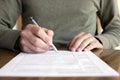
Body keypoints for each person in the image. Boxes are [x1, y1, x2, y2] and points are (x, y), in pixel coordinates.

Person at [0, 0, 120, 53]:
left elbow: (116, 27)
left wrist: (100, 41)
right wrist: (17, 39)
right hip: (33, 64)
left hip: (86, 63)